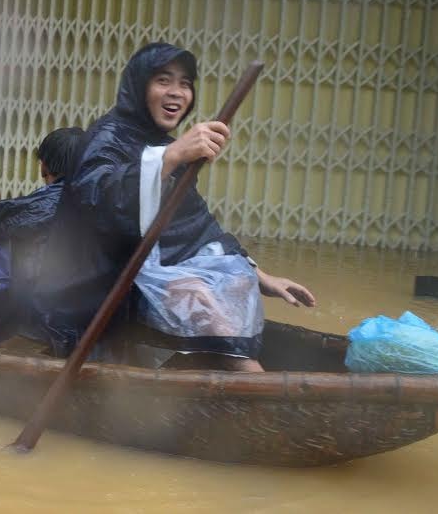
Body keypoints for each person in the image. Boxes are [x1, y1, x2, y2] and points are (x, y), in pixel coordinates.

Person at [33, 43, 316, 370]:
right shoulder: (105, 137)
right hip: (94, 286)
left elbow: (195, 224)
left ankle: (208, 369)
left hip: (141, 275)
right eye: (163, 81)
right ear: (139, 86)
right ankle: (251, 381)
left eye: (185, 83)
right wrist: (169, 158)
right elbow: (99, 198)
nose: (177, 93)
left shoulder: (166, 145)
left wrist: (261, 276)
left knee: (235, 282)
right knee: (199, 296)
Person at [0, 127, 85, 341]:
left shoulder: (22, 214)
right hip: (90, 329)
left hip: (31, 328)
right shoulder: (106, 203)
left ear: (45, 166)